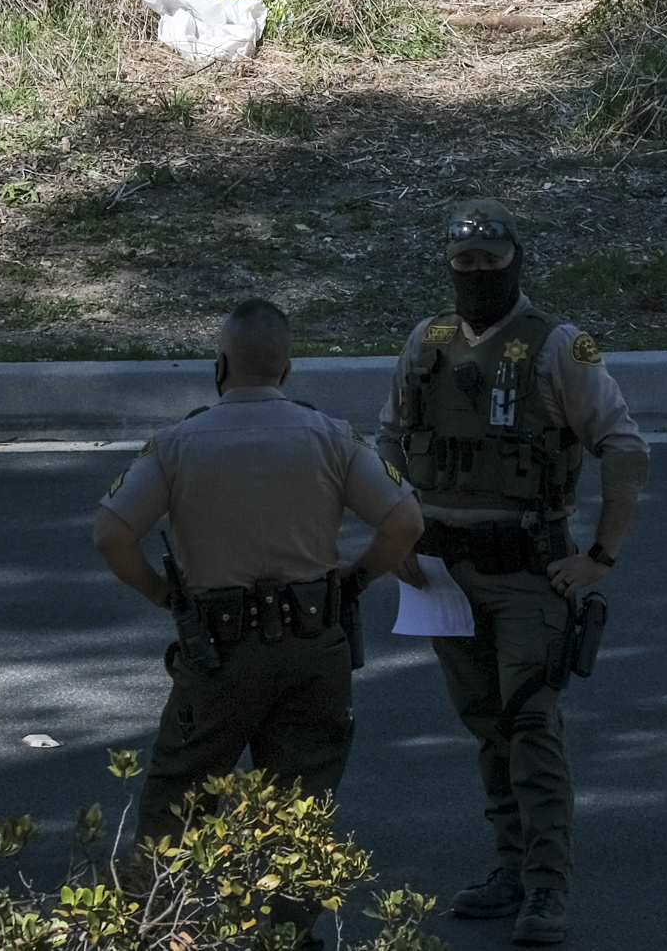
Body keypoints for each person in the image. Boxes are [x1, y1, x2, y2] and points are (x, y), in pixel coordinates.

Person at [377, 200, 647, 948]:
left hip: (529, 568)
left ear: (515, 261)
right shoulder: (425, 343)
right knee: (486, 724)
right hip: (442, 571)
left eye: (489, 262)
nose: (476, 274)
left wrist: (599, 558)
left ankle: (547, 883)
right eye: (463, 263)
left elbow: (625, 449)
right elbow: (389, 441)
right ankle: (510, 868)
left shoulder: (560, 346)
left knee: (530, 722)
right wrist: (395, 529)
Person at [93, 297, 425, 861]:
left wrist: (159, 592)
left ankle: (162, 911)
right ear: (286, 370)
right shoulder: (333, 436)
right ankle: (290, 914)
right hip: (313, 646)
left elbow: (111, 534)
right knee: (300, 813)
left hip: (219, 653)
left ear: (219, 366)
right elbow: (405, 522)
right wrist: (357, 577)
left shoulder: (179, 443)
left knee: (180, 808)